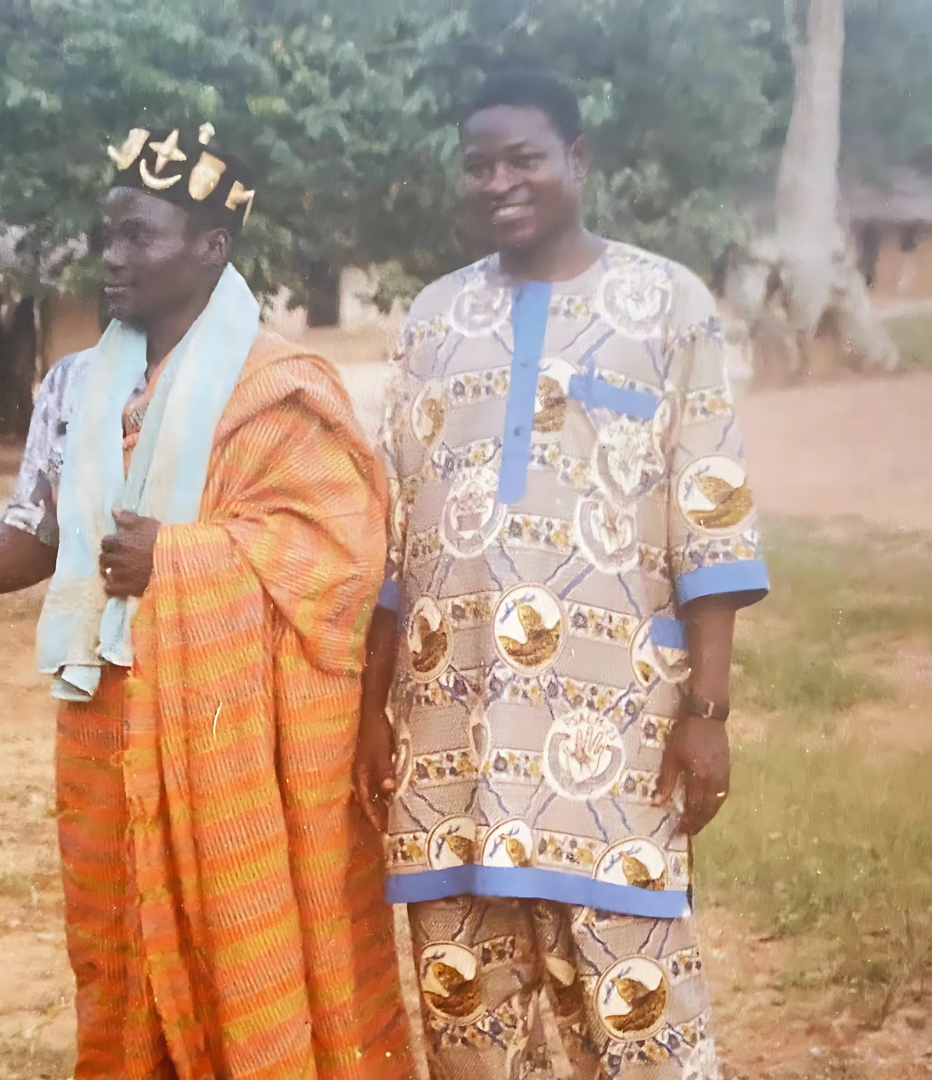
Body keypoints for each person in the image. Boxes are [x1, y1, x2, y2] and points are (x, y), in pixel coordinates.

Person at [0, 123, 414, 1080]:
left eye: (137, 236)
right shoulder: (77, 385)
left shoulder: (279, 387)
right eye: (106, 234)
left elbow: (342, 558)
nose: (110, 258)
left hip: (240, 733)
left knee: (247, 950)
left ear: (212, 246)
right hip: (108, 717)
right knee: (121, 950)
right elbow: (39, 538)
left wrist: (183, 558)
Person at [352, 68, 769, 1079]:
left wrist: (707, 714)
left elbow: (709, 517)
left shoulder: (667, 305)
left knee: (642, 1022)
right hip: (449, 733)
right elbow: (392, 534)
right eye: (478, 165)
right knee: (468, 1026)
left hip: (615, 729)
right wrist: (370, 710)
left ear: (577, 160)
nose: (500, 181)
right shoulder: (433, 319)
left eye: (523, 158)